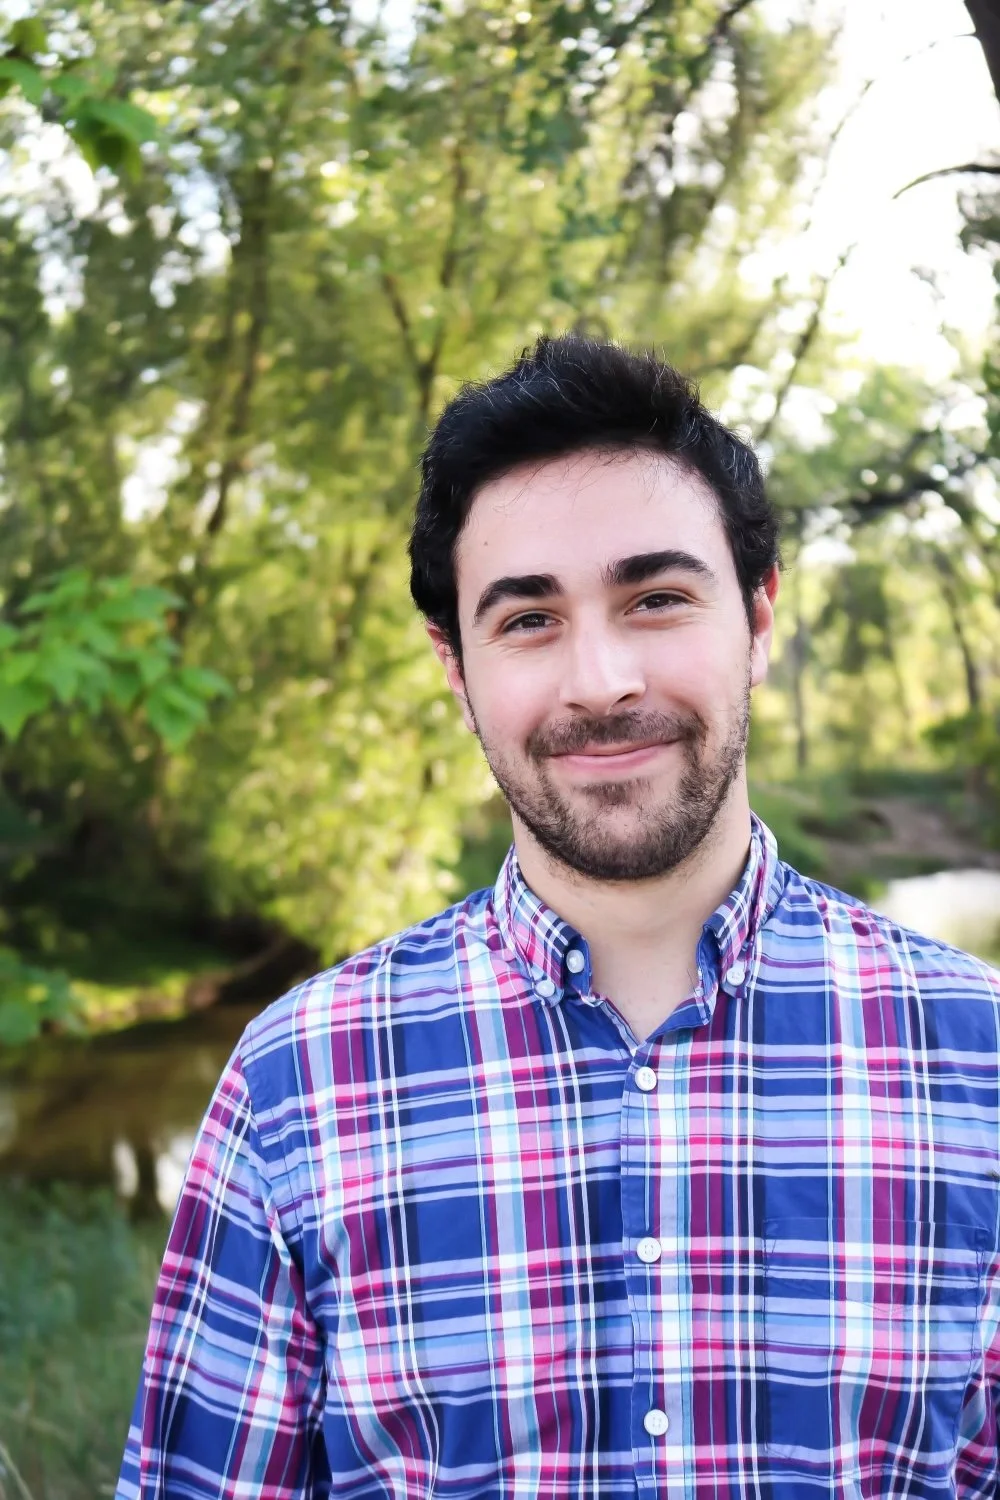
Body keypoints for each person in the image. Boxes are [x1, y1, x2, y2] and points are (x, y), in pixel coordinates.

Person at [117, 335, 1000, 1500]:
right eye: (528, 619)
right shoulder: (301, 1088)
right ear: (455, 665)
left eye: (657, 598)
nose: (600, 679)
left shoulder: (977, 1057)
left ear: (760, 620)